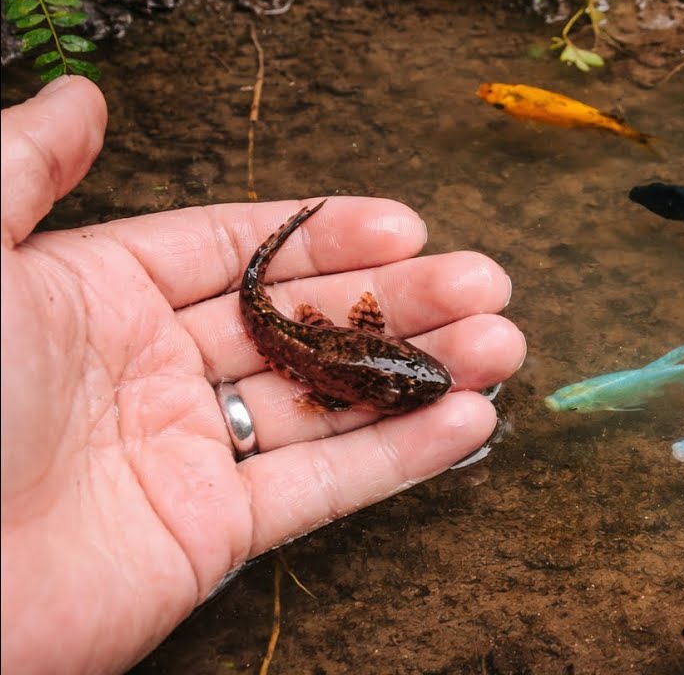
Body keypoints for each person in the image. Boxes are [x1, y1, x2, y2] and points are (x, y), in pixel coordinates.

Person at [0, 76, 526, 674]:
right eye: (414, 371)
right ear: (375, 334)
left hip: (301, 338)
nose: (420, 376)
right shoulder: (324, 373)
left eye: (410, 377)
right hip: (293, 340)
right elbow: (326, 397)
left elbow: (335, 387)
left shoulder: (346, 350)